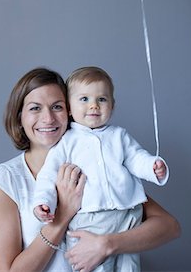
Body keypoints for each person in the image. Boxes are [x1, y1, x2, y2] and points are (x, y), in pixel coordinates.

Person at [0, 67, 180, 272]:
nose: (48, 118)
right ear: (19, 117)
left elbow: (169, 226)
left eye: (57, 106)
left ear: (70, 112)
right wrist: (64, 215)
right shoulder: (4, 178)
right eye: (35, 108)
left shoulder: (98, 160)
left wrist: (107, 244)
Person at [33, 66, 169, 271]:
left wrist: (153, 166)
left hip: (127, 214)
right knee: (95, 267)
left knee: (129, 266)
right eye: (84, 99)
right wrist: (44, 201)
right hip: (90, 219)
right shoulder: (66, 142)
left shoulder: (119, 136)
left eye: (102, 99)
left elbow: (135, 158)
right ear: (69, 107)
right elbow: (48, 175)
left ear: (112, 106)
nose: (94, 106)